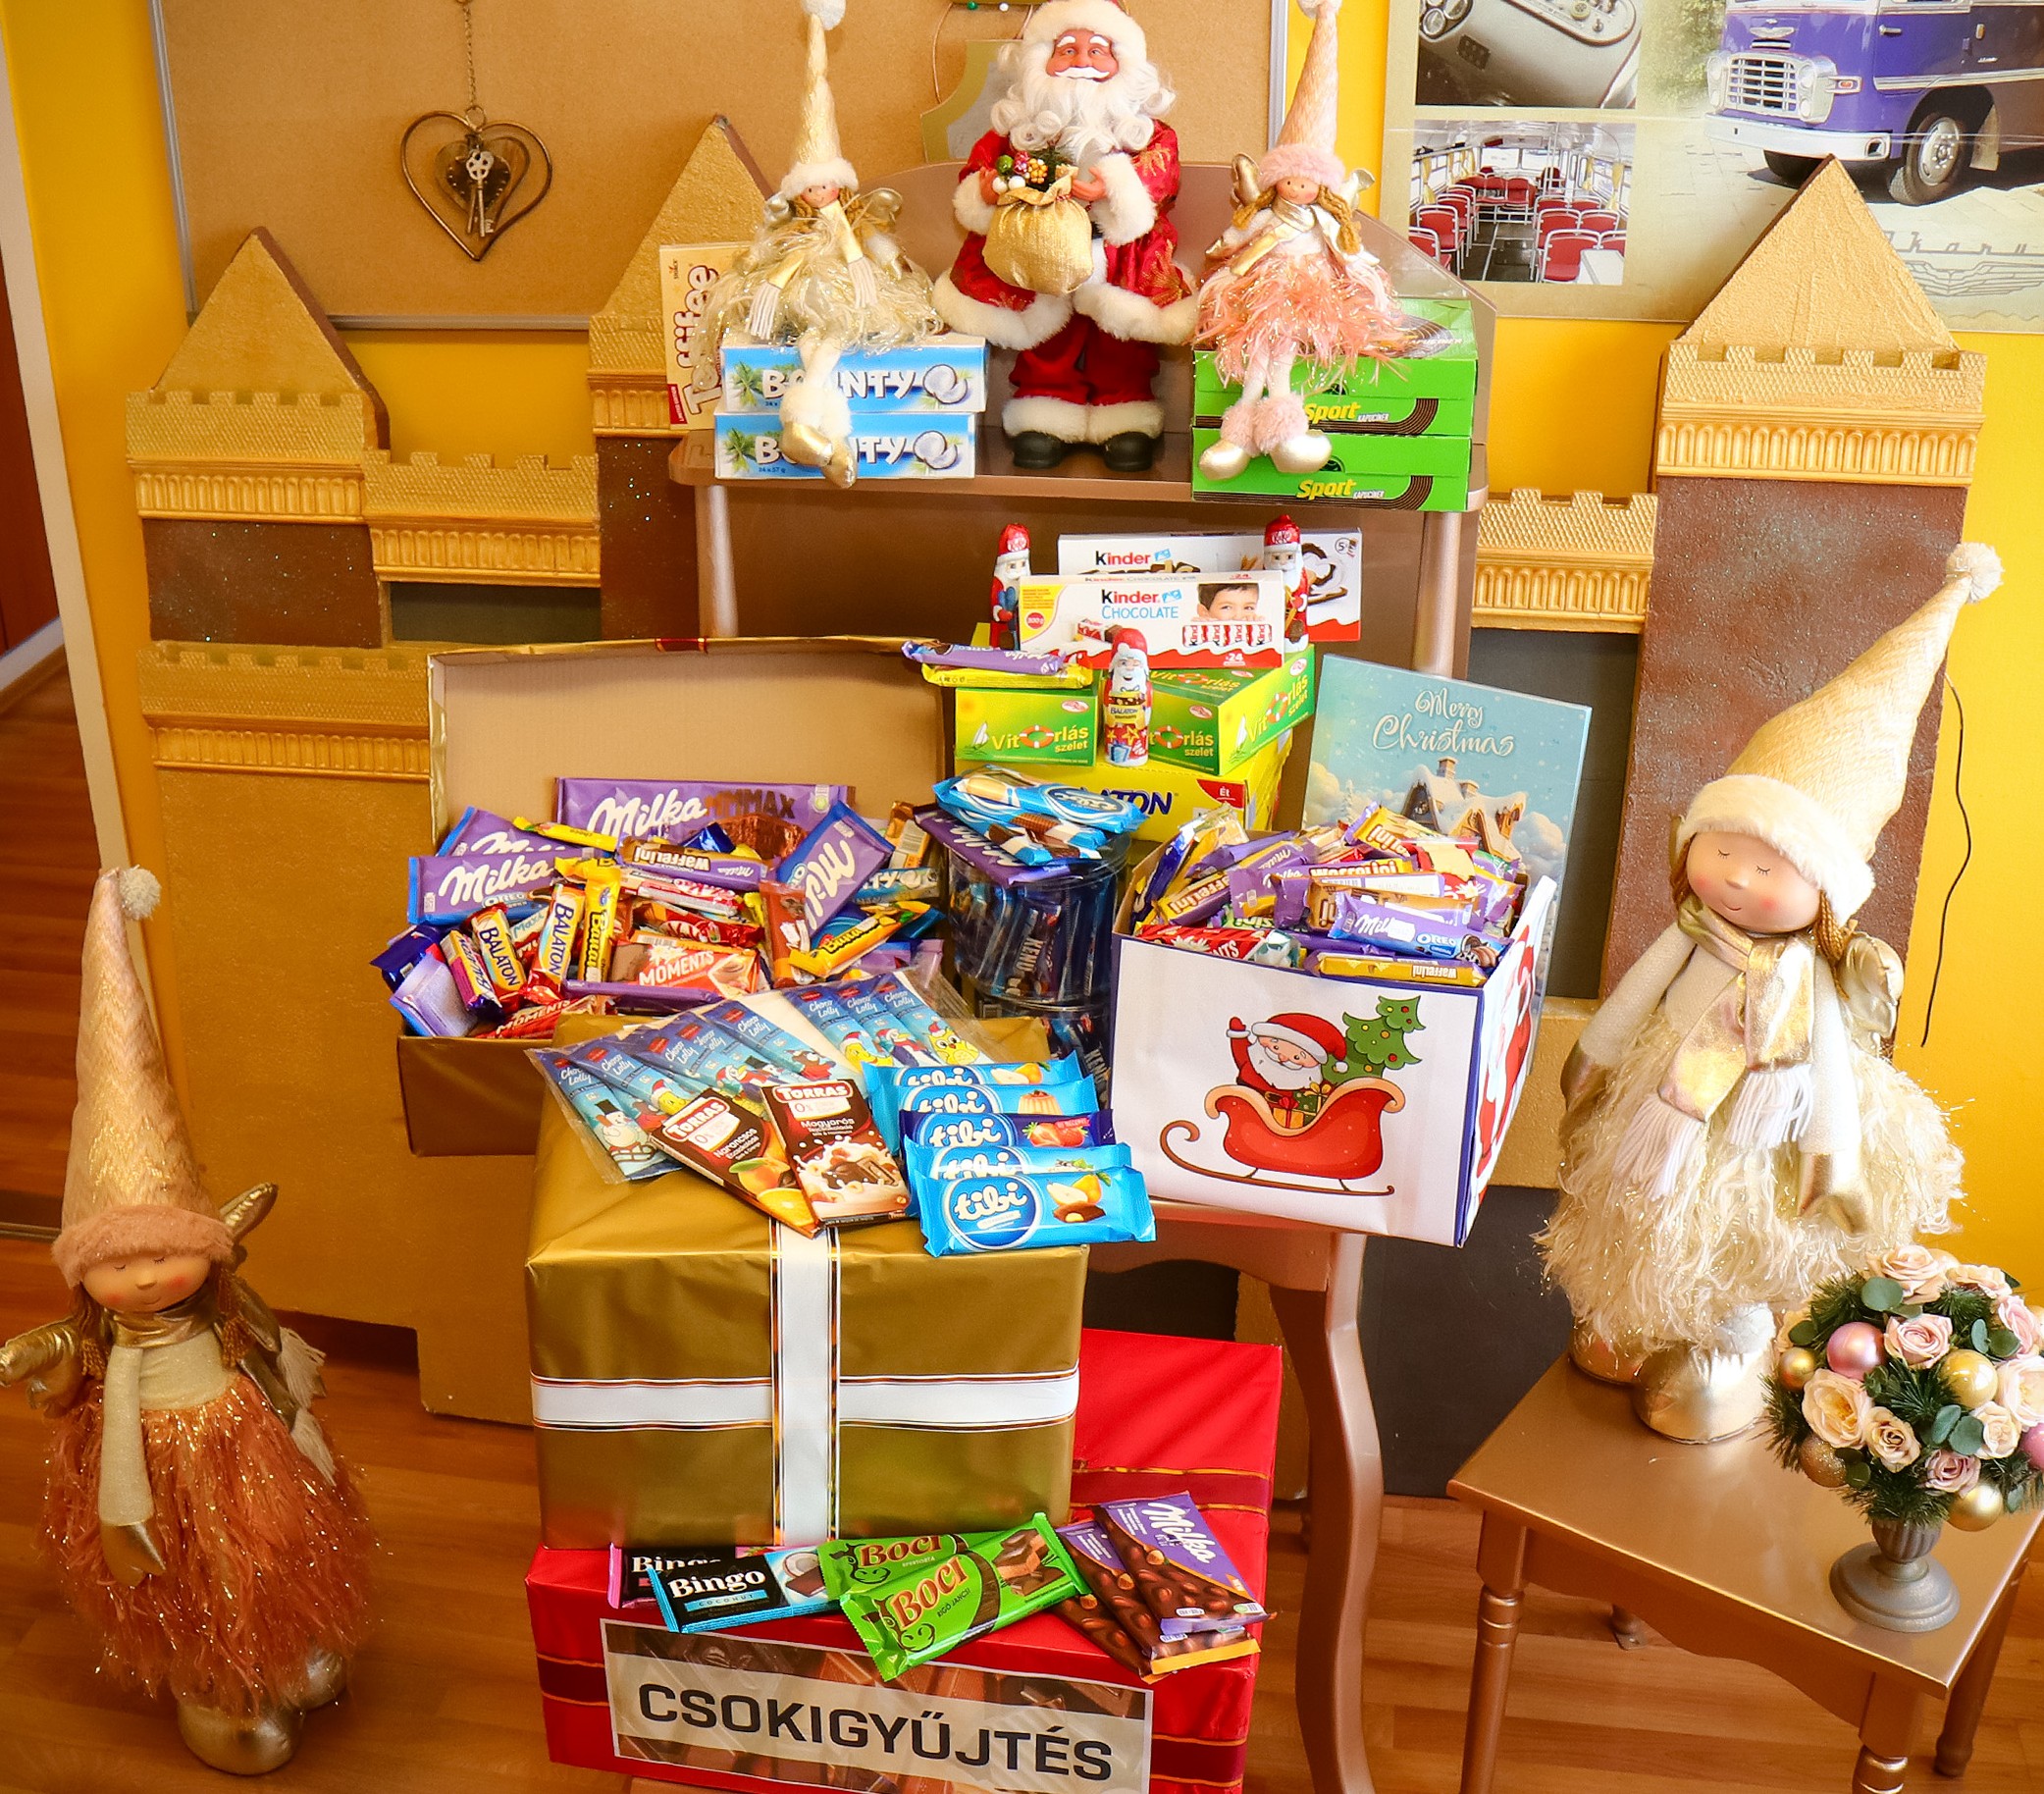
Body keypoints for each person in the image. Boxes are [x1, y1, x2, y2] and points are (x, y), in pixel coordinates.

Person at [1541, 547, 1997, 1439]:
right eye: (1722, 851)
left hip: (1757, 1125)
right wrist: (1592, 1057)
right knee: (1636, 1208)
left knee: (1731, 1239)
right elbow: (1635, 997)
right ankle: (1628, 1321)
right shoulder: (1691, 932)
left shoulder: (1808, 977)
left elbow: (1827, 1067)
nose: (1737, 880)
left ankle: (1721, 1346)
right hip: (1660, 1097)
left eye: (1769, 868)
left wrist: (1832, 1158)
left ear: (1823, 892)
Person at [0, 869, 371, 1771]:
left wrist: (292, 1408)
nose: (147, 1278)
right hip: (155, 1463)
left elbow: (275, 1364)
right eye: (117, 1265)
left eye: (166, 1254)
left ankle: (291, 1639)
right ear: (85, 1275)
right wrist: (36, 1353)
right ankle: (218, 1680)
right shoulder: (107, 1348)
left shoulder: (232, 1319)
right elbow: (71, 1362)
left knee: (274, 1544)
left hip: (241, 1440)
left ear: (210, 1250)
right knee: (189, 1567)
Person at [934, 0, 1194, 471]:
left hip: (1117, 255)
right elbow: (979, 174)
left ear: (1123, 64)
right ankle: (1045, 411)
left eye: (1097, 51)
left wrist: (1112, 186)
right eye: (1067, 49)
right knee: (1047, 338)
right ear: (1041, 61)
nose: (1081, 62)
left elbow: (1160, 177)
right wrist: (988, 191)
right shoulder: (1019, 133)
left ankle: (1125, 414)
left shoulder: (1146, 133)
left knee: (1121, 338)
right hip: (1037, 252)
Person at [1196, 0, 1443, 482]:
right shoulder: (1266, 214)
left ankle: (1282, 431)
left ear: (1321, 187)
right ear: (1277, 182)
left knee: (1283, 349)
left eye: (1307, 183)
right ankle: (1237, 435)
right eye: (1290, 181)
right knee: (1259, 346)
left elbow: (1348, 250)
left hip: (1307, 290)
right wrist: (1222, 249)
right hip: (1264, 285)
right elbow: (1240, 233)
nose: (1298, 189)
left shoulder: (1324, 220)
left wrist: (1365, 269)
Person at [695, 0, 940, 486]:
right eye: (812, 187)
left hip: (851, 291)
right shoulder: (793, 228)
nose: (821, 193)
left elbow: (876, 246)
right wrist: (758, 276)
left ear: (840, 185)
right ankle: (826, 441)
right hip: (803, 295)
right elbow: (768, 254)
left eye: (827, 185)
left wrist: (894, 267)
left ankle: (806, 431)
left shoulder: (857, 222)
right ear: (798, 190)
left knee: (831, 339)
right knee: (810, 339)